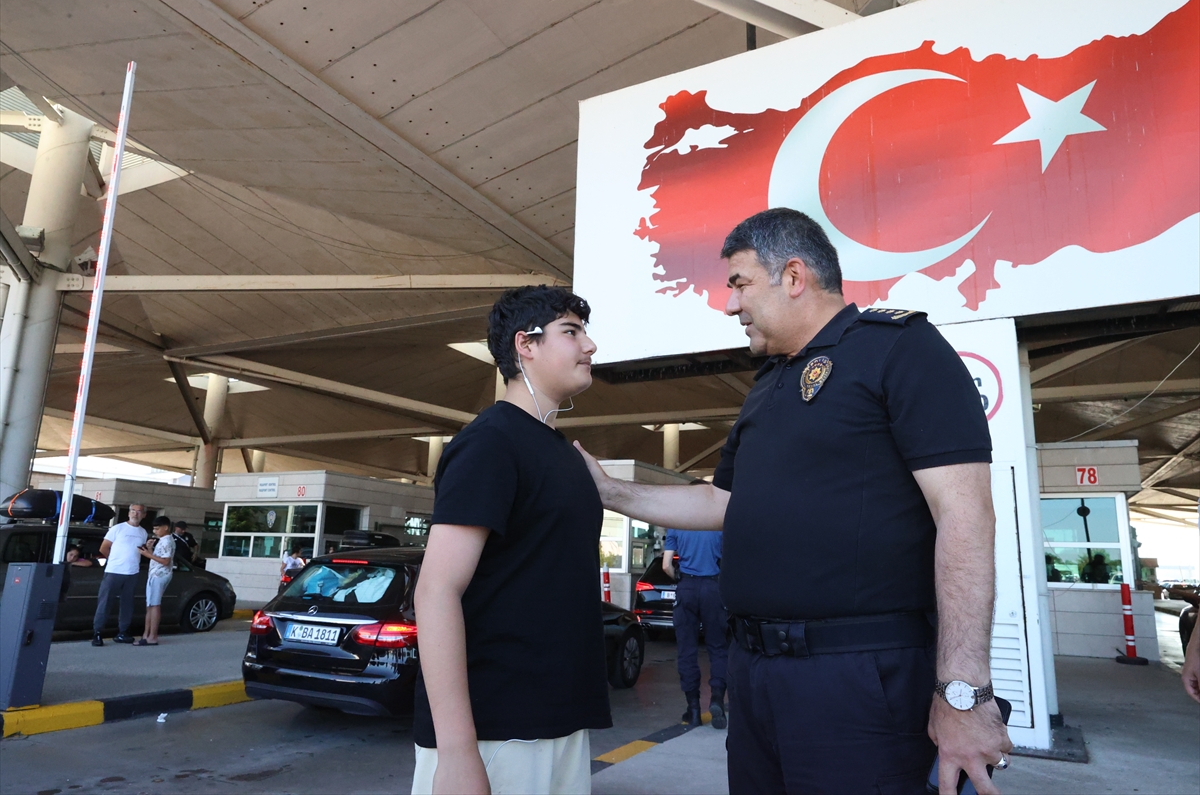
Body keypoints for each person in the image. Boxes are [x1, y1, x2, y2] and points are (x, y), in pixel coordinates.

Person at [575, 208, 1011, 795]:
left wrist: (963, 692)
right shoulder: (768, 386)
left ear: (795, 276)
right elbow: (719, 503)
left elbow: (964, 516)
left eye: (739, 283)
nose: (730, 304)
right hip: (755, 676)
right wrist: (607, 490)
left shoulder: (901, 350)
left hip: (857, 680)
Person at [412, 286, 608, 795]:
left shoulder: (560, 451)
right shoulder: (491, 443)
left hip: (559, 719)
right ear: (526, 344)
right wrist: (456, 752)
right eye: (572, 332)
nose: (589, 346)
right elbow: (436, 591)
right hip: (498, 731)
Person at [662, 522, 728, 729]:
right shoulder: (718, 525)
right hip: (713, 587)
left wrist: (681, 580)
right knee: (718, 648)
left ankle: (693, 709)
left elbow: (666, 565)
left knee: (687, 650)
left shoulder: (677, 526)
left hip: (687, 588)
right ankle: (717, 698)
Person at [92, 504, 149, 646]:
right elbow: (104, 547)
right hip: (113, 571)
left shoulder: (143, 532)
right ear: (128, 513)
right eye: (133, 511)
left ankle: (123, 632)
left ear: (144, 515)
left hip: (132, 572)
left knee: (127, 604)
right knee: (105, 602)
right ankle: (97, 633)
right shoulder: (117, 528)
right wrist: (113, 560)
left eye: (139, 512)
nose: (135, 514)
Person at [136, 517, 175, 646]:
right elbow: (159, 558)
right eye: (154, 529)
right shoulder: (163, 541)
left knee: (155, 605)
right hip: (155, 574)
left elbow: (165, 561)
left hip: (160, 575)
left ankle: (152, 636)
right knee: (151, 605)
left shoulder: (167, 541)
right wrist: (150, 550)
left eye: (157, 528)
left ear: (166, 528)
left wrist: (148, 554)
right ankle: (146, 635)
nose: (155, 531)